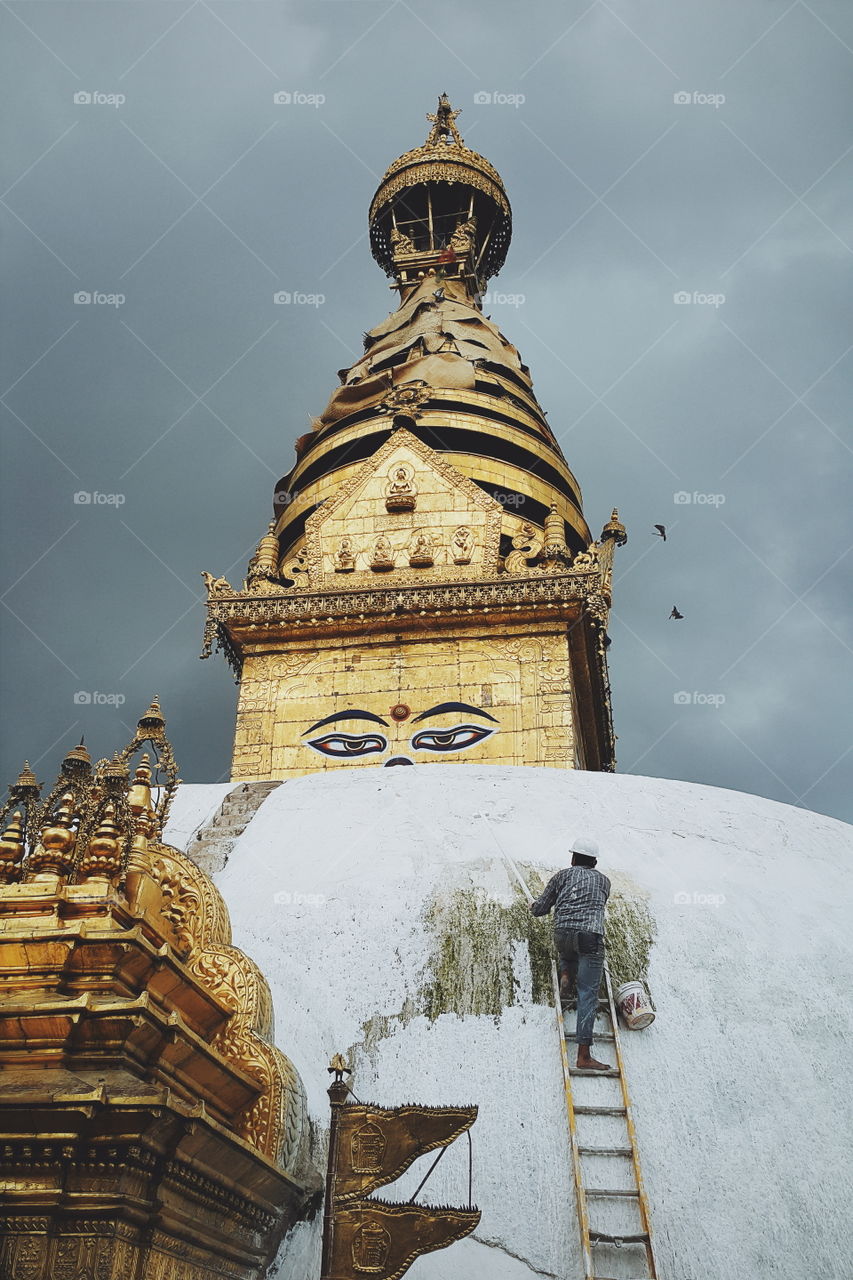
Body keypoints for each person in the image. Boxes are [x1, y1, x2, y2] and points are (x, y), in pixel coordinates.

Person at [530, 837, 612, 1071]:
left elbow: (540, 910)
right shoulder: (605, 882)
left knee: (567, 946)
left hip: (562, 935)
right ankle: (584, 1056)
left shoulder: (561, 876)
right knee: (587, 993)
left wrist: (533, 906)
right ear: (594, 861)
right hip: (588, 937)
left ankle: (566, 971)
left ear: (573, 858)